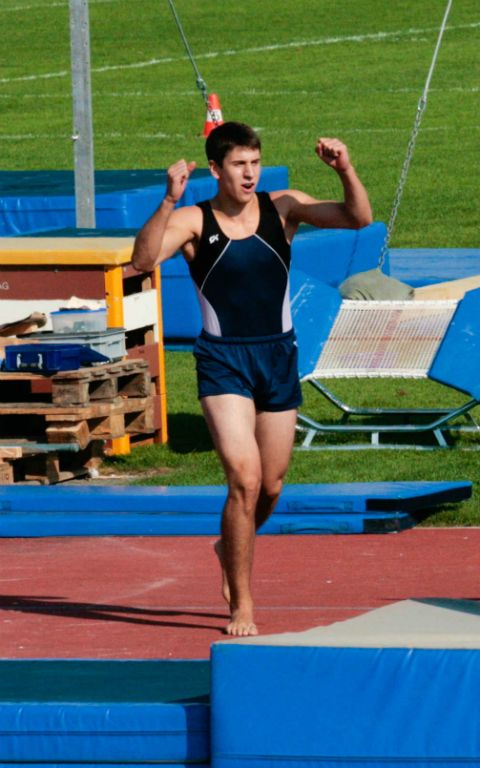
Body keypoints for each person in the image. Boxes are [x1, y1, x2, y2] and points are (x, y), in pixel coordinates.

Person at [132, 121, 372, 637]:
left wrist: (345, 169)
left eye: (255, 163)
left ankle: (229, 544)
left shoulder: (282, 207)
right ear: (215, 169)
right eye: (239, 164)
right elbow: (142, 259)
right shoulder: (194, 221)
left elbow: (359, 218)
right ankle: (241, 603)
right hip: (224, 360)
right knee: (244, 479)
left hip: (277, 356)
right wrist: (168, 200)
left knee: (271, 484)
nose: (249, 173)